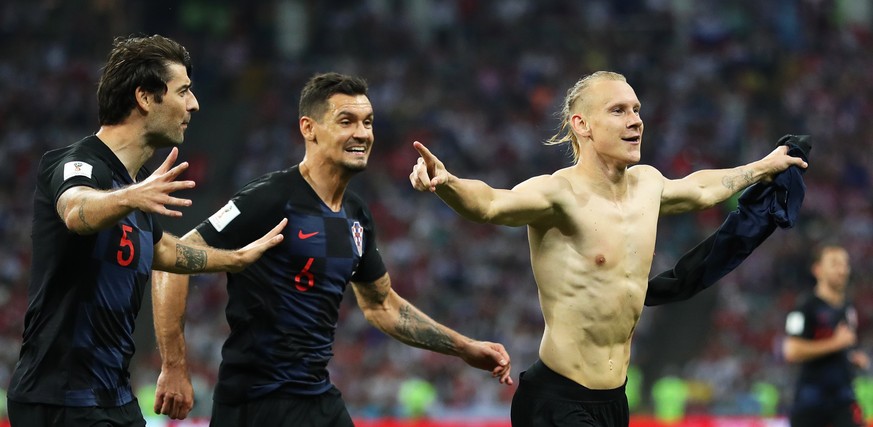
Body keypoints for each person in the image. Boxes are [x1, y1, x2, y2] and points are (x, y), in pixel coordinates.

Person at [409, 70, 808, 426]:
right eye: (618, 110)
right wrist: (447, 182)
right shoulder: (558, 193)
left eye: (636, 109)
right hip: (557, 400)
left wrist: (764, 166)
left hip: (614, 402)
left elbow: (702, 189)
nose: (636, 120)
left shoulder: (648, 185)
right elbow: (490, 203)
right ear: (582, 124)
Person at [151, 72, 513, 426]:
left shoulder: (356, 215)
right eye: (347, 121)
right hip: (257, 403)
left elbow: (382, 305)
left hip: (317, 397)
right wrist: (173, 366)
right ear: (309, 128)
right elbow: (173, 261)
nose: (362, 133)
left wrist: (464, 347)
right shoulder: (271, 198)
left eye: (368, 122)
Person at [6, 34, 287, 427]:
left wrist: (238, 258)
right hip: (60, 398)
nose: (194, 104)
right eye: (184, 91)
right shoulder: (78, 163)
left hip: (113, 399)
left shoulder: (131, 189)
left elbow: (166, 252)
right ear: (144, 97)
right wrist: (132, 196)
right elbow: (76, 210)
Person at [783, 245, 870, 427]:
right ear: (818, 270)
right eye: (835, 264)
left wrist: (850, 356)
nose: (842, 269)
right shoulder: (804, 307)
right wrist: (836, 344)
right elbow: (791, 350)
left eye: (845, 264)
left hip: (843, 398)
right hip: (811, 402)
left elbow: (842, 346)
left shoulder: (847, 307)